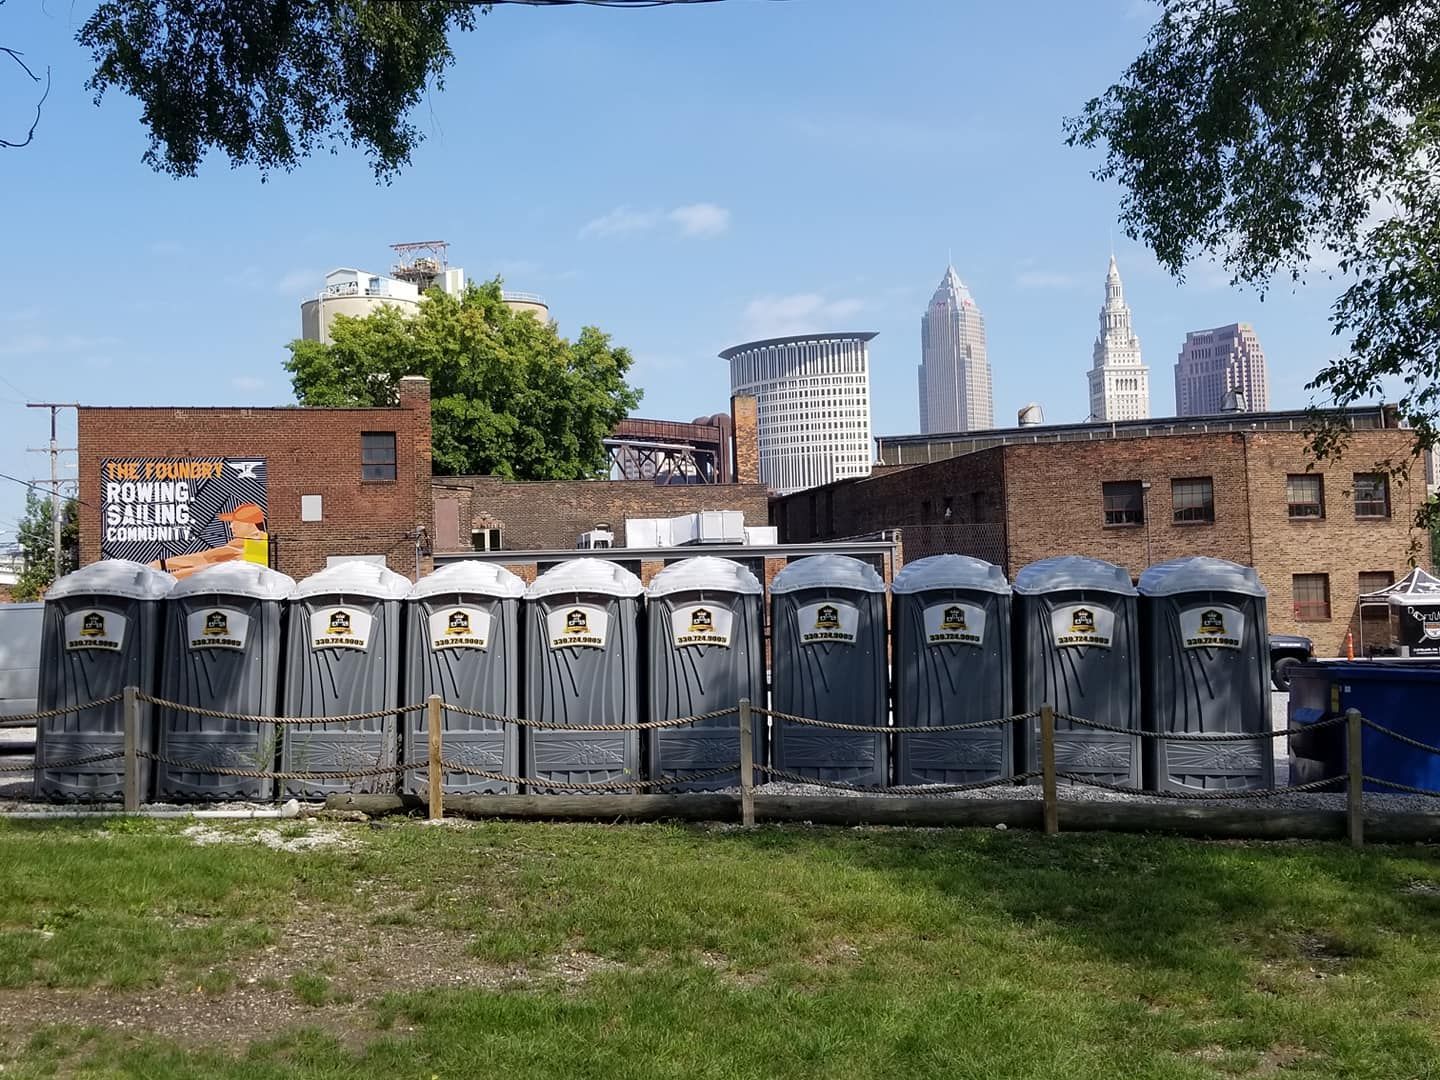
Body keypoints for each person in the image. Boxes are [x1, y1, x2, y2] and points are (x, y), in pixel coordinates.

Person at [149, 502, 269, 578]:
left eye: (234, 522)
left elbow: (204, 559)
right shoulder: (261, 541)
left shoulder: (253, 544)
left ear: (249, 524)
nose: (231, 526)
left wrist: (162, 565)